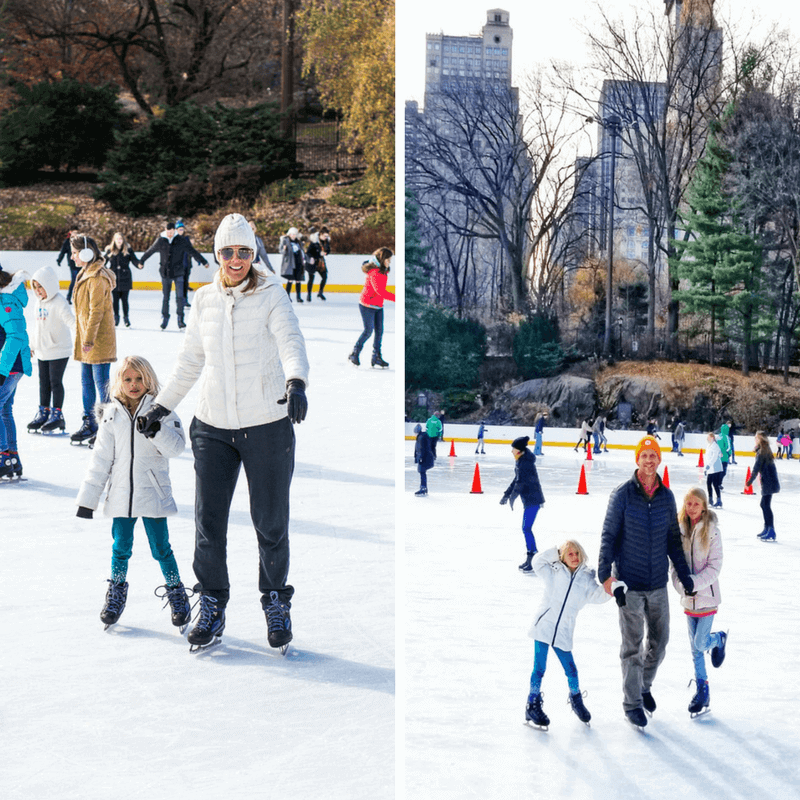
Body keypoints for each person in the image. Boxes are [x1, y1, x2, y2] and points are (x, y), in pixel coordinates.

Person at [137, 213, 309, 653]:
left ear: (254, 254)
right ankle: (211, 600)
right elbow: (190, 362)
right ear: (216, 254)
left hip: (267, 425)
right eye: (228, 251)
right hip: (212, 427)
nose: (236, 260)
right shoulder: (204, 300)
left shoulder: (273, 293)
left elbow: (290, 341)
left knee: (270, 522)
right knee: (208, 523)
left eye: (244, 252)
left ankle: (275, 600)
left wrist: (296, 383)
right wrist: (160, 406)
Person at [75, 356, 190, 630]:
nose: (134, 384)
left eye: (139, 379)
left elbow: (176, 448)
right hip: (121, 495)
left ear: (148, 379)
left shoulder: (163, 411)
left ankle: (176, 591)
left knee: (161, 548)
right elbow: (101, 461)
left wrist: (156, 430)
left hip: (153, 492)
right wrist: (87, 501)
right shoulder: (111, 416)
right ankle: (116, 591)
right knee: (120, 548)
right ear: (119, 382)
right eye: (127, 379)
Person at [597, 435, 695, 728]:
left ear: (659, 460)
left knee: (660, 641)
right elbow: (609, 536)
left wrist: (684, 573)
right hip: (629, 584)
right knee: (632, 646)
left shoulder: (666, 497)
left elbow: (672, 541)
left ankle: (643, 685)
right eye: (645, 456)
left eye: (654, 456)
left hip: (657, 584)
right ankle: (632, 704)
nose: (649, 461)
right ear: (637, 459)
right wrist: (606, 576)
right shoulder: (623, 494)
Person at [525, 541, 626, 728]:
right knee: (539, 669)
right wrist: (555, 552)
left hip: (563, 632)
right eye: (569, 554)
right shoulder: (553, 572)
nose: (574, 557)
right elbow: (537, 563)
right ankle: (532, 703)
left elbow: (597, 595)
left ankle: (576, 699)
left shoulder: (586, 579)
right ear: (562, 557)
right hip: (544, 627)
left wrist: (615, 589)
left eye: (577, 553)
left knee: (571, 670)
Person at [671, 488, 727, 717]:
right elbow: (674, 565)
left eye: (695, 504)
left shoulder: (712, 531)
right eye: (688, 504)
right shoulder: (680, 530)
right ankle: (702, 691)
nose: (691, 508)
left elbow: (715, 567)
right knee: (695, 650)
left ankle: (719, 638)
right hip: (688, 599)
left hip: (707, 597)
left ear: (704, 506)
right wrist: (681, 586)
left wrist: (694, 584)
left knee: (702, 642)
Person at [70, 233, 117, 446]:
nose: (72, 257)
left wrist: (88, 340)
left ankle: (106, 427)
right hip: (87, 339)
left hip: (97, 340)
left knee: (101, 384)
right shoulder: (85, 274)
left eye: (74, 253)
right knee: (86, 382)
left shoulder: (97, 277)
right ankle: (90, 422)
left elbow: (96, 311)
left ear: (87, 253)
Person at [27, 266, 74, 435]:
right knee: (43, 383)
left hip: (59, 349)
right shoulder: (38, 303)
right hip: (42, 350)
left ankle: (57, 414)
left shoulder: (60, 302)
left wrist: (85, 336)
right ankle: (44, 412)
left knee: (55, 382)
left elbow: (71, 321)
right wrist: (32, 346)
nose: (38, 291)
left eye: (41, 286)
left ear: (50, 285)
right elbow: (37, 327)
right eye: (35, 287)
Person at [140, 222, 208, 329]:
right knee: (166, 297)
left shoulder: (180, 240)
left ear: (174, 231)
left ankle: (180, 320)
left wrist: (203, 261)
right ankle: (165, 318)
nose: (170, 234)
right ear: (165, 230)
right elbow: (150, 251)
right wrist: (141, 261)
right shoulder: (161, 240)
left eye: (171, 232)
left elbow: (192, 251)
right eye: (168, 231)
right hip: (165, 273)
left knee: (179, 297)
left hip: (178, 272)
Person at [0, 266, 32, 479]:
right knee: (4, 410)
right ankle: (12, 456)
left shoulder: (6, 300)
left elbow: (16, 336)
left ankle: (3, 456)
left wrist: (2, 369)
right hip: (12, 365)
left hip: (9, 367)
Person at [500, 435, 545, 573]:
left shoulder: (525, 463)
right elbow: (516, 480)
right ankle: (531, 557)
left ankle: (533, 558)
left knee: (526, 528)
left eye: (513, 449)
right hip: (530, 499)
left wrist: (512, 497)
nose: (511, 451)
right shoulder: (522, 461)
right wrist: (507, 494)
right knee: (526, 528)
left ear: (519, 450)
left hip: (533, 500)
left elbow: (521, 483)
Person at [348, 248, 395, 368]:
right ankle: (355, 353)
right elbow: (380, 291)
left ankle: (376, 356)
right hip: (367, 305)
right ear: (382, 259)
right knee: (368, 331)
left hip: (378, 305)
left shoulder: (383, 271)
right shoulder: (374, 272)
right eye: (388, 259)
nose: (389, 262)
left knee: (379, 331)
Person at [745, 431, 780, 542]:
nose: (755, 439)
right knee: (764, 504)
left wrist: (748, 483)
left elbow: (756, 469)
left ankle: (770, 530)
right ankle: (767, 528)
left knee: (765, 505)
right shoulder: (764, 449)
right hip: (769, 480)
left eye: (756, 438)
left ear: (760, 439)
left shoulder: (762, 452)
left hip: (769, 481)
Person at [103, 232, 142, 327]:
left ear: (123, 240)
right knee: (115, 300)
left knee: (125, 300)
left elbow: (134, 260)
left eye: (120, 239)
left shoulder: (128, 250)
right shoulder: (110, 251)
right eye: (117, 239)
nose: (119, 241)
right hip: (114, 279)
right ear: (114, 240)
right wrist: (104, 270)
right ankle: (116, 317)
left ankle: (126, 318)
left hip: (125, 278)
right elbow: (103, 261)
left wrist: (138, 265)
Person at [175, 220, 207, 308]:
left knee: (185, 283)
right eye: (179, 229)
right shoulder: (174, 240)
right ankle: (180, 300)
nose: (181, 231)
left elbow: (191, 251)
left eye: (182, 229)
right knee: (179, 284)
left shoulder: (186, 239)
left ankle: (184, 300)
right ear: (176, 230)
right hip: (178, 266)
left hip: (186, 265)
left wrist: (198, 259)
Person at [280, 227, 306, 302]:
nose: (293, 236)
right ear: (289, 234)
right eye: (292, 234)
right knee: (290, 279)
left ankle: (298, 297)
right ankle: (287, 296)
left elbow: (302, 251)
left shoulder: (298, 242)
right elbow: (281, 251)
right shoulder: (285, 241)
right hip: (290, 263)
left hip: (298, 262)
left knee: (298, 280)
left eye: (295, 234)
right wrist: (284, 249)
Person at [305, 227, 330, 301]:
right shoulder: (314, 242)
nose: (326, 237)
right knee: (311, 278)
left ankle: (320, 292)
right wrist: (314, 256)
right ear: (320, 234)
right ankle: (309, 294)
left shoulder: (326, 242)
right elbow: (309, 252)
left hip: (321, 262)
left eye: (327, 236)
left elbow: (328, 250)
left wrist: (326, 253)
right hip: (313, 263)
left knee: (325, 276)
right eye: (325, 236)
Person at [56, 230, 79, 304]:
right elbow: (63, 252)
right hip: (73, 265)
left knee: (80, 281)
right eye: (73, 234)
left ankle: (78, 297)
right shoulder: (67, 242)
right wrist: (59, 260)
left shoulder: (80, 241)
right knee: (74, 280)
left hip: (81, 264)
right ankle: (69, 297)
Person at [413, 423, 435, 497]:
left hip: (425, 458)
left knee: (422, 472)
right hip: (426, 458)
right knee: (422, 472)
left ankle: (423, 488)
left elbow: (421, 449)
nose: (414, 434)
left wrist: (420, 458)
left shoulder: (421, 438)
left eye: (415, 432)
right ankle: (424, 488)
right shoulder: (422, 436)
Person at [704, 432, 723, 509]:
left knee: (715, 484)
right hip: (711, 468)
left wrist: (708, 466)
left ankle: (719, 500)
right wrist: (706, 467)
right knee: (708, 483)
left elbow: (714, 457)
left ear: (712, 438)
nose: (707, 439)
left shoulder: (715, 446)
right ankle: (710, 499)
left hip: (715, 468)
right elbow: (707, 457)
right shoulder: (709, 445)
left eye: (709, 437)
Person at [717, 422, 731, 489]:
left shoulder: (718, 436)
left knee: (718, 471)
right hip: (724, 457)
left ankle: (717, 483)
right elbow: (728, 448)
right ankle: (719, 483)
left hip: (717, 457)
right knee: (723, 472)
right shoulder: (726, 437)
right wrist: (729, 454)